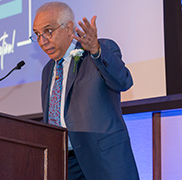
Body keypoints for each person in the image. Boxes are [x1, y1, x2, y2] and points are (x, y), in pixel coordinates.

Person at [30, 2, 139, 180]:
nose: (42, 41)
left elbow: (123, 82)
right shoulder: (48, 70)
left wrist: (96, 50)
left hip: (104, 160)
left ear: (69, 28)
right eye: (38, 34)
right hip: (65, 164)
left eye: (48, 31)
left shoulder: (98, 51)